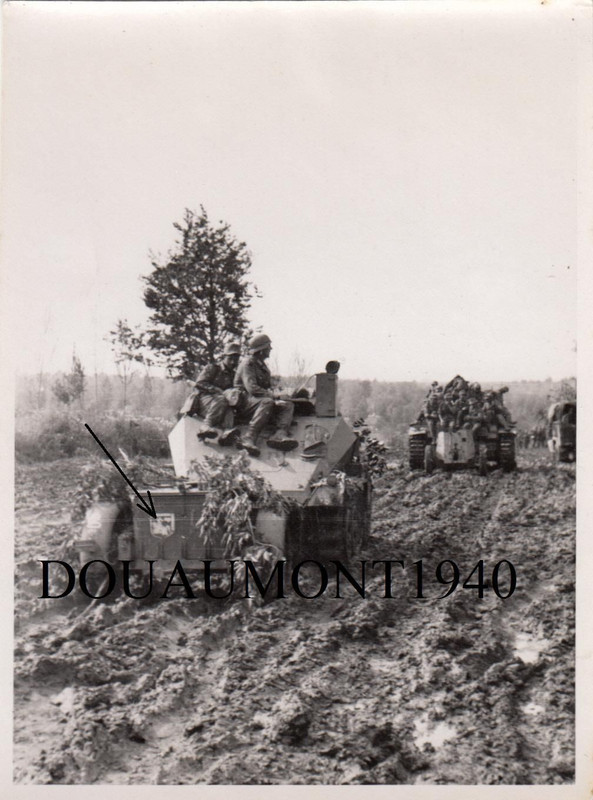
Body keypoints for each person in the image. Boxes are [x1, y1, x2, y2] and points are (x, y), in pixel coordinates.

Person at [234, 333, 298, 457]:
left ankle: (279, 435)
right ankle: (249, 437)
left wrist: (280, 395)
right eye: (268, 347)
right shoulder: (248, 364)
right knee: (267, 402)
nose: (270, 349)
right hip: (245, 402)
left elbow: (267, 387)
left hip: (258, 401)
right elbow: (251, 388)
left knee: (287, 405)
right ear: (261, 350)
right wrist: (274, 397)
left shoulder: (262, 367)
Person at [181, 342, 242, 446]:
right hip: (204, 400)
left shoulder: (234, 375)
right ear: (224, 357)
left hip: (220, 404)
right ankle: (205, 426)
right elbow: (200, 383)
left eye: (236, 359)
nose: (233, 362)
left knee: (229, 406)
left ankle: (226, 433)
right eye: (230, 358)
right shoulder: (213, 368)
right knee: (222, 400)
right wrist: (215, 389)